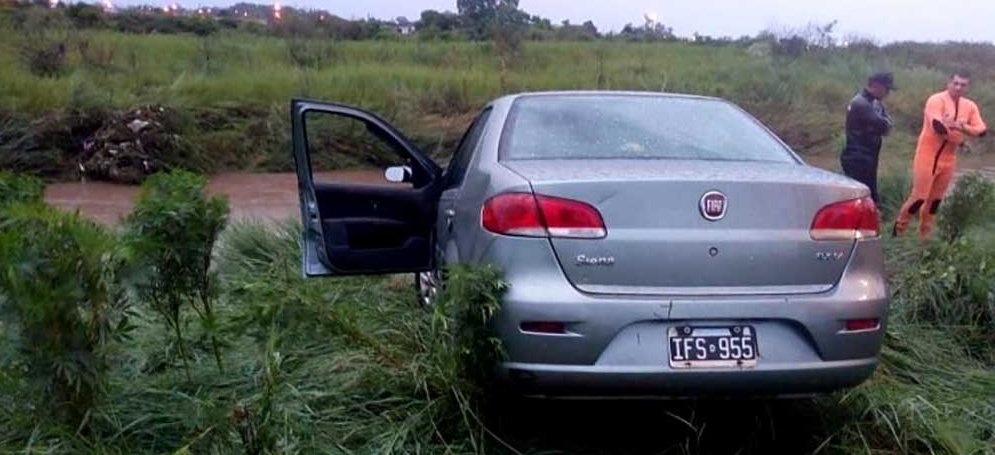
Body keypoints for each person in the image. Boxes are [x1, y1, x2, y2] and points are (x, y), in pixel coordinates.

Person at [893, 70, 988, 239]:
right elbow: (937, 125)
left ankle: (925, 236)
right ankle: (899, 231)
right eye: (956, 83)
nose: (958, 87)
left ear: (968, 87)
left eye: (963, 85)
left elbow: (981, 131)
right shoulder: (936, 100)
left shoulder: (970, 106)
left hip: (948, 159)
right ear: (949, 83)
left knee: (935, 201)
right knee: (919, 197)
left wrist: (961, 127)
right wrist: (959, 137)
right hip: (927, 155)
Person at [840, 72, 896, 205]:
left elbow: (887, 124)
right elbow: (883, 125)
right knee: (859, 199)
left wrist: (884, 124)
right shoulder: (861, 103)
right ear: (876, 86)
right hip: (857, 158)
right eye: (886, 89)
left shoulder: (874, 102)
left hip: (869, 156)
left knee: (870, 197)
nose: (888, 93)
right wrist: (884, 124)